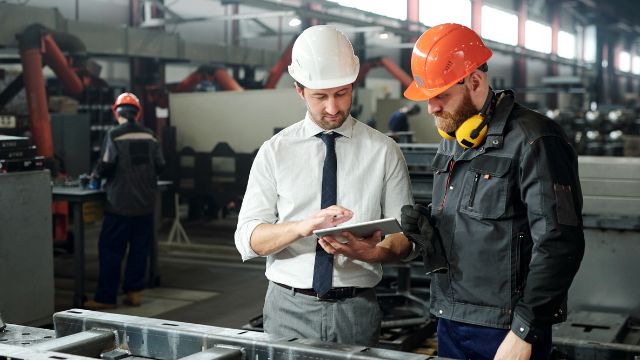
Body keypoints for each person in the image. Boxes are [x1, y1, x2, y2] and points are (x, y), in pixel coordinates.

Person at [400, 23, 585, 360]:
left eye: (441, 95)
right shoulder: (453, 143)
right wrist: (427, 233)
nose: (432, 108)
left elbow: (560, 242)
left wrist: (525, 331)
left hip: (504, 330)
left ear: (475, 81)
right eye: (428, 97)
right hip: (449, 318)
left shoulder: (535, 140)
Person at [234, 25, 414, 347]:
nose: (333, 108)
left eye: (342, 93)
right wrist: (304, 226)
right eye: (320, 96)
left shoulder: (384, 151)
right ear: (299, 90)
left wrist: (373, 252)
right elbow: (250, 239)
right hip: (288, 307)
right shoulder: (275, 152)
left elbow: (405, 240)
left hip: (357, 309)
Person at [84, 92, 165, 310]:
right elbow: (160, 166)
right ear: (137, 113)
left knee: (111, 249)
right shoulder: (150, 136)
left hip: (119, 204)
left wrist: (93, 177)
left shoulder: (114, 135)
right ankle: (134, 292)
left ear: (116, 112)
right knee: (139, 249)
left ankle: (106, 296)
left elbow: (106, 165)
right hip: (146, 204)